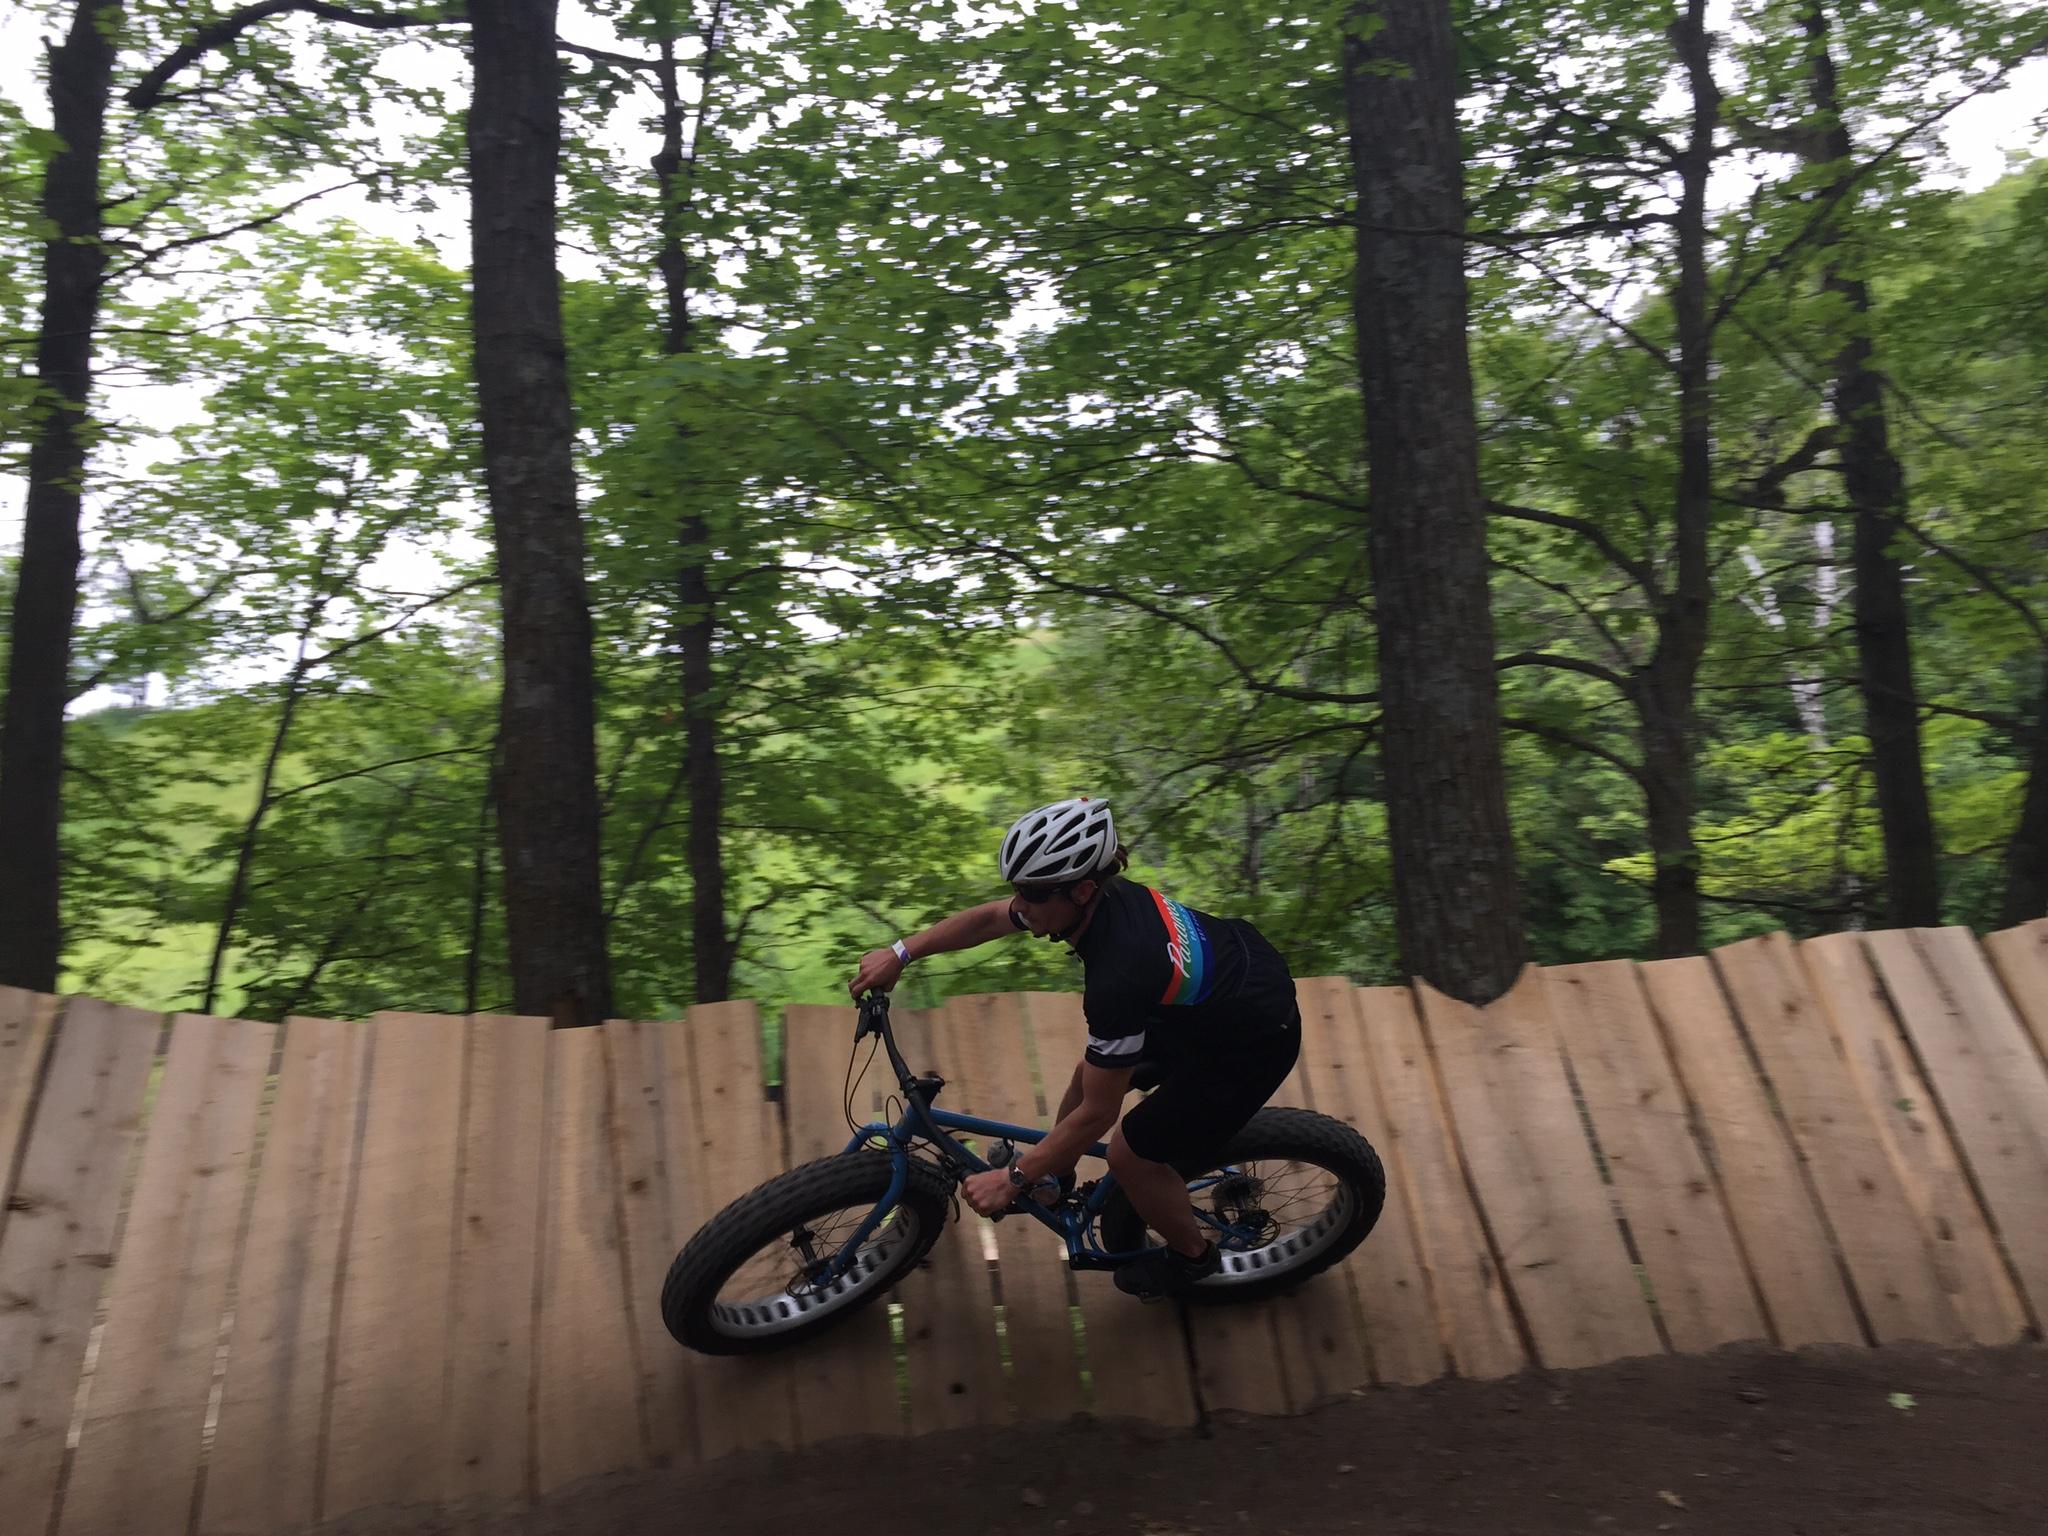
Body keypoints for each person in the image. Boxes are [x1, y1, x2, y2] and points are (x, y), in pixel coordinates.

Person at [847, 797, 1302, 1299]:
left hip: (1251, 1039)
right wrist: (901, 952)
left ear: (1083, 889)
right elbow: (988, 921)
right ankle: (1056, 1179)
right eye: (1018, 889)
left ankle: (1194, 1258)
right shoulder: (1085, 903)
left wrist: (1013, 1179)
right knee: (1089, 1073)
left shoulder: (1116, 977)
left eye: (1033, 894)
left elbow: (1098, 1115)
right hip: (1214, 996)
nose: (1020, 905)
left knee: (1130, 1154)